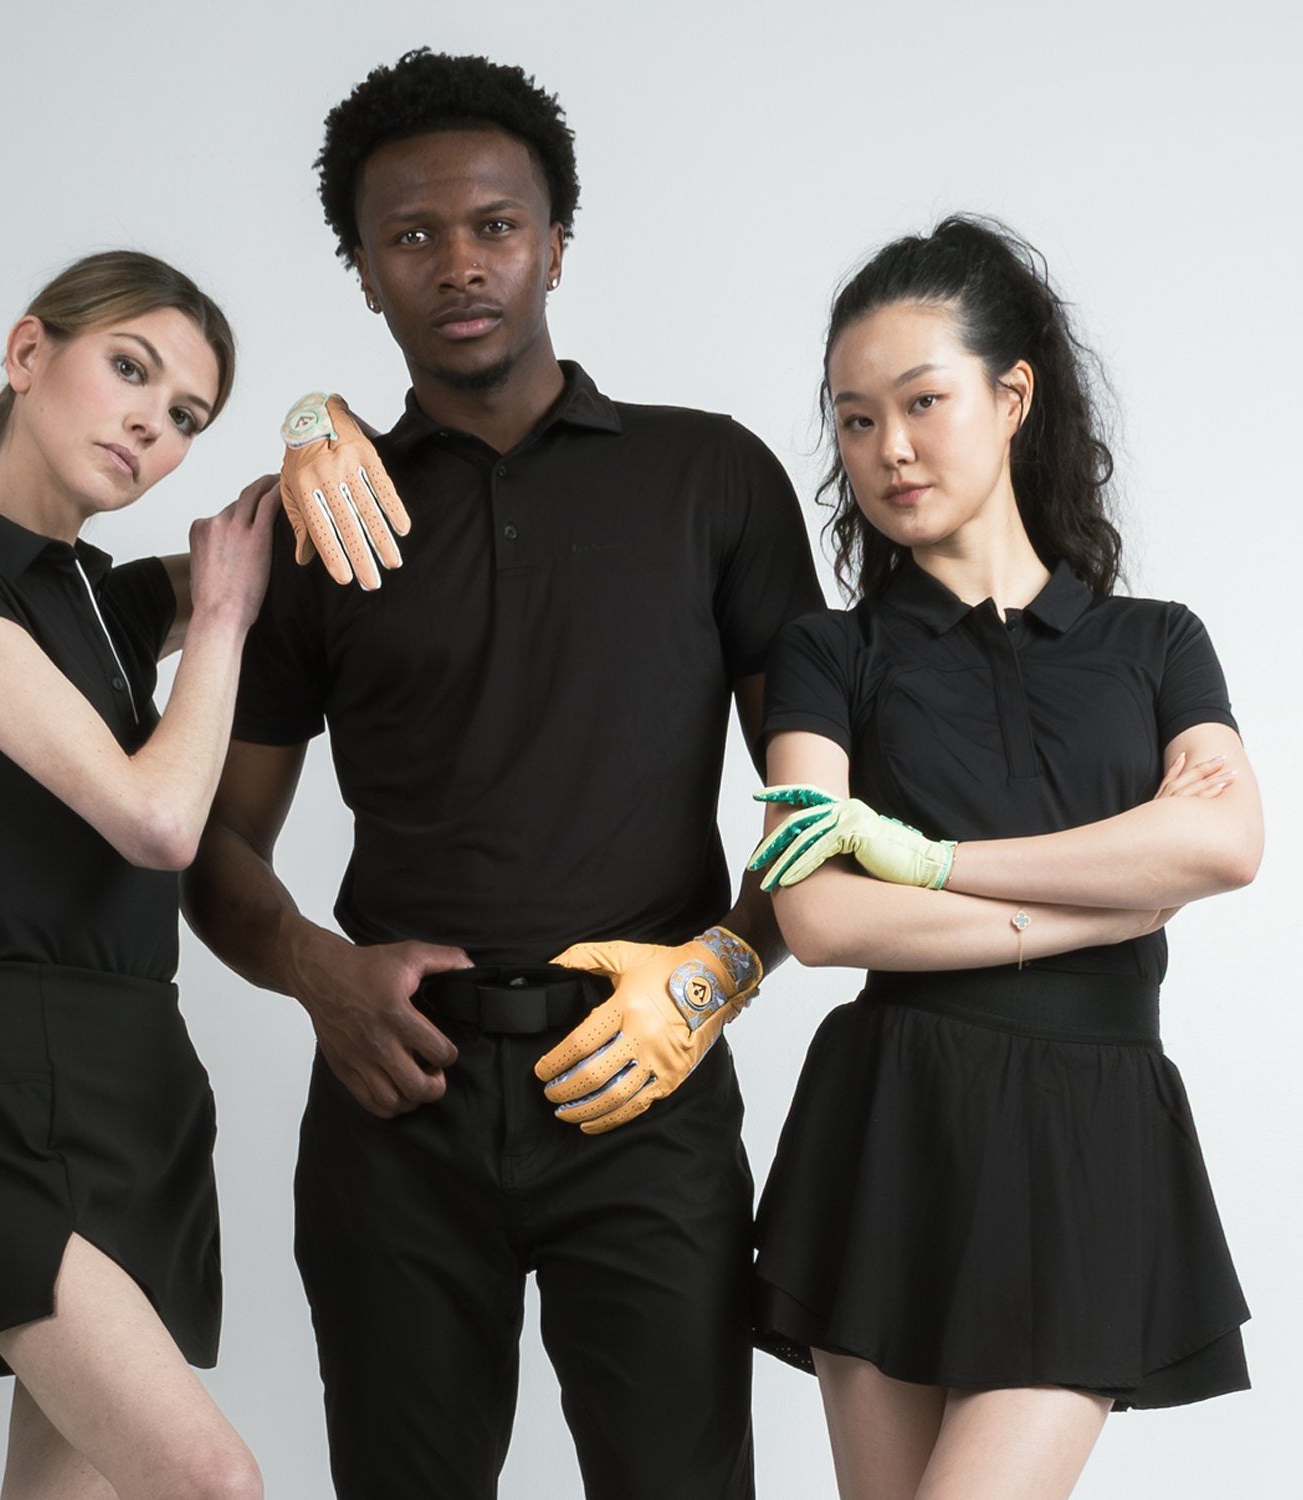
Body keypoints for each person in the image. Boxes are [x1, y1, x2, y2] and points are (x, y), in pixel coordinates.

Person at [180, 48, 822, 1500]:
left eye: (494, 227)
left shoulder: (709, 481)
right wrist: (314, 973)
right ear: (361, 270)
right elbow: (213, 848)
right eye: (410, 236)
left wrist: (712, 982)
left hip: (645, 1093)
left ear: (554, 242)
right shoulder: (323, 522)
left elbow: (818, 820)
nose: (459, 266)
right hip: (396, 1105)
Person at [0, 250, 379, 1499]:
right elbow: (154, 819)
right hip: (13, 1096)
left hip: (147, 1097)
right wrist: (229, 626)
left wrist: (316, 424)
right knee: (212, 1480)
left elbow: (296, 517)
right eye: (129, 369)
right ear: (29, 354)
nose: (153, 422)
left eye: (188, 415)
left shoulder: (110, 600)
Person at [747, 217, 1261, 1500]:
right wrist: (1116, 897)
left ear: (1012, 395)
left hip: (1091, 1127)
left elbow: (1226, 841)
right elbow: (815, 917)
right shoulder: (830, 653)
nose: (890, 449)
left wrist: (925, 865)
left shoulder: (1155, 643)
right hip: (896, 1121)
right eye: (855, 420)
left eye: (922, 403)